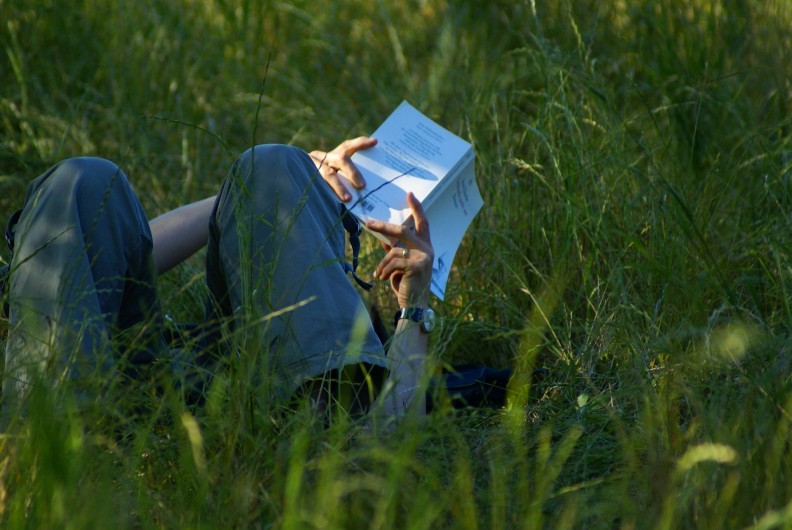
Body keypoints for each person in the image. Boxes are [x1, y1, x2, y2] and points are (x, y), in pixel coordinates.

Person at [1, 136, 435, 422]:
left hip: (175, 375)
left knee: (273, 163)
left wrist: (272, 194)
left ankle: (336, 428)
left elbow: (102, 252)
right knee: (79, 182)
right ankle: (49, 446)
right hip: (65, 395)